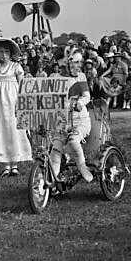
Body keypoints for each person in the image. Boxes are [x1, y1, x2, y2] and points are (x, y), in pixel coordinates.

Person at [0, 38, 32, 177]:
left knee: (13, 129)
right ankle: (5, 163)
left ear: (11, 53)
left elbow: (22, 86)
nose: (3, 55)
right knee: (1, 129)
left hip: (13, 99)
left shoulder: (16, 67)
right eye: (1, 52)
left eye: (6, 52)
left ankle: (15, 163)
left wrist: (21, 103)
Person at [50, 51, 93, 183]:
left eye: (75, 63)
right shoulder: (54, 77)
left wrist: (80, 103)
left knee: (74, 140)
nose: (73, 66)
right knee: (56, 148)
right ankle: (53, 179)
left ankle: (82, 166)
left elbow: (86, 95)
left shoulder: (80, 77)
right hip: (62, 119)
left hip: (79, 119)